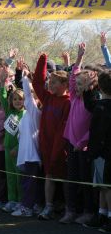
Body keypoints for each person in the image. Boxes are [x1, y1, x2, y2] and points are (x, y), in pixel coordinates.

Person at [32, 53, 70, 220]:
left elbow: (62, 130)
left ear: (64, 84)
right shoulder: (48, 98)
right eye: (50, 81)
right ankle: (49, 206)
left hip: (60, 148)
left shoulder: (68, 102)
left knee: (63, 178)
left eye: (54, 82)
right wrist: (42, 61)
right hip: (46, 145)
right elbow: (37, 83)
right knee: (49, 175)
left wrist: (56, 151)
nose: (50, 84)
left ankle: (68, 208)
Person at [60, 43, 94, 224]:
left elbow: (92, 128)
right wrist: (79, 59)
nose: (78, 86)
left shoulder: (90, 103)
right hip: (70, 143)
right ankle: (70, 210)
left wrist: (81, 143)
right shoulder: (74, 97)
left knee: (85, 179)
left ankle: (88, 212)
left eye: (83, 84)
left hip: (83, 146)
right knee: (71, 179)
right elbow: (72, 78)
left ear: (90, 85)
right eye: (77, 84)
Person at [12, 61, 43, 217]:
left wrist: (25, 79)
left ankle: (27, 207)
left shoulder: (35, 112)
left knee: (29, 183)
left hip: (31, 155)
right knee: (29, 182)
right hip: (25, 154)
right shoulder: (27, 113)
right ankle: (34, 205)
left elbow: (29, 97)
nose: (30, 96)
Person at [86, 70, 111, 232]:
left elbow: (97, 132)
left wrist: (93, 151)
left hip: (104, 152)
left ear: (100, 88)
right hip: (103, 152)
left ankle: (109, 216)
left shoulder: (101, 107)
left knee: (107, 186)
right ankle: (102, 214)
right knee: (102, 185)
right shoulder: (100, 105)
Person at [0, 67, 25, 213]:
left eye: (20, 99)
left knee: (19, 176)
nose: (17, 101)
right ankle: (12, 199)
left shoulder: (26, 114)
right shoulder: (10, 111)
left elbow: (27, 135)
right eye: (15, 99)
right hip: (7, 149)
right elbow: (3, 98)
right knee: (9, 176)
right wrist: (2, 82)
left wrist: (18, 147)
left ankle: (21, 201)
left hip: (18, 151)